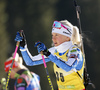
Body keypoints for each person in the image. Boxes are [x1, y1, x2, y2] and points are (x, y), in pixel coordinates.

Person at [15, 20, 85, 90]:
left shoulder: (75, 51)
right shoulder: (54, 51)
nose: (53, 38)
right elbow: (30, 61)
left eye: (57, 35)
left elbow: (68, 67)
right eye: (52, 35)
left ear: (67, 37)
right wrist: (23, 47)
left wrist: (49, 54)